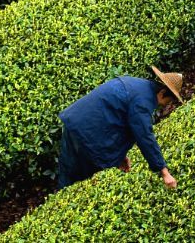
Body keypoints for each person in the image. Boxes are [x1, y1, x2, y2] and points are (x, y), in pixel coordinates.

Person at [56, 66, 184, 190]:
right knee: (77, 180)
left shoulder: (137, 85)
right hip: (86, 134)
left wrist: (120, 156)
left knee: (68, 172)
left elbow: (116, 117)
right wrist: (164, 172)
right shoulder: (143, 101)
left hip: (74, 122)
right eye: (169, 100)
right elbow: (144, 136)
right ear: (162, 93)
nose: (168, 104)